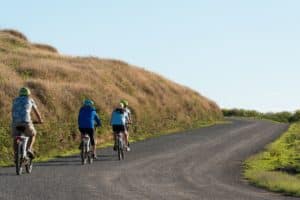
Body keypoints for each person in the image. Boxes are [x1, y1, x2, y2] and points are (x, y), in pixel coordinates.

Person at [11, 87, 43, 159]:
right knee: (33, 134)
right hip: (26, 122)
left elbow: (13, 110)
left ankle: (16, 154)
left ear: (20, 94)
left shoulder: (15, 100)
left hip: (15, 122)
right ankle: (28, 148)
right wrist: (40, 120)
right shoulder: (30, 100)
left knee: (15, 138)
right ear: (28, 94)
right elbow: (36, 112)